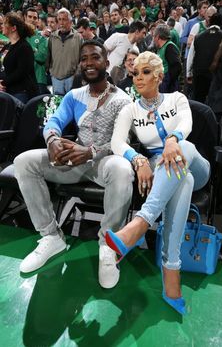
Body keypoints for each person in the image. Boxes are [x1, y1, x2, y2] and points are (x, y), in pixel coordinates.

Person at [14, 40, 133, 290]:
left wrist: (91, 151)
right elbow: (54, 121)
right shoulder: (73, 95)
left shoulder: (122, 100)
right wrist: (53, 140)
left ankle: (108, 248)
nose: (89, 63)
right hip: (74, 162)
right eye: (84, 58)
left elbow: (122, 143)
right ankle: (51, 236)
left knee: (123, 169)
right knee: (23, 161)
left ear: (107, 63)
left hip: (104, 163)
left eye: (95, 57)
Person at [105, 51, 210, 315]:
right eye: (135, 73)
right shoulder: (130, 108)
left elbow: (186, 122)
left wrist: (173, 139)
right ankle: (171, 273)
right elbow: (117, 142)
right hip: (166, 169)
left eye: (146, 72)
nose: (138, 78)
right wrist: (138, 159)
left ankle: (140, 223)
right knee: (182, 179)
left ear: (160, 76)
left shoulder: (177, 98)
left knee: (182, 152)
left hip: (194, 159)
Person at [0, 12, 38, 103]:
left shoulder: (24, 47)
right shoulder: (7, 46)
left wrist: (3, 82)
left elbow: (21, 72)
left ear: (13, 28)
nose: (2, 26)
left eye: (5, 23)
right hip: (8, 91)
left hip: (21, 93)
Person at [47, 8, 82, 95]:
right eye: (59, 19)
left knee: (72, 105)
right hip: (56, 78)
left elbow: (82, 58)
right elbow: (49, 55)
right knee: (58, 105)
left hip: (72, 78)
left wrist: (76, 74)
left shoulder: (78, 37)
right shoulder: (52, 37)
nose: (61, 22)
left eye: (64, 19)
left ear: (70, 21)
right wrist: (51, 72)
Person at [153, 24, 182, 93]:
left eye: (153, 37)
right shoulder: (160, 48)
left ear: (157, 37)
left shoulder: (170, 47)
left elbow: (177, 67)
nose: (153, 39)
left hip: (169, 85)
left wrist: (168, 83)